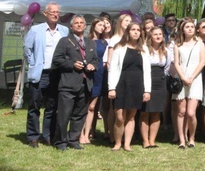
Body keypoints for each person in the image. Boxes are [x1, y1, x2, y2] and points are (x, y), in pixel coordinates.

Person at [24, 2, 69, 147]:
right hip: (40, 73)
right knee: (34, 106)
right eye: (52, 12)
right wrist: (33, 64)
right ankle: (33, 137)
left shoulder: (64, 31)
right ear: (45, 14)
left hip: (56, 74)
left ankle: (48, 135)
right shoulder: (36, 30)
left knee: (52, 107)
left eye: (57, 12)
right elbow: (27, 49)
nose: (55, 14)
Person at [51, 15, 99, 151]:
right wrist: (72, 64)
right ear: (71, 27)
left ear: (85, 26)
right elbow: (57, 59)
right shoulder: (65, 41)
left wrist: (93, 66)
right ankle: (61, 141)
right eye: (76, 23)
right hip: (68, 84)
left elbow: (95, 60)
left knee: (80, 114)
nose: (79, 25)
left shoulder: (90, 43)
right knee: (64, 114)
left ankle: (73, 139)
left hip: (85, 83)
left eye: (81, 23)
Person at [108, 23, 151, 151]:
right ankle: (117, 143)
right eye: (133, 30)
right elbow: (113, 69)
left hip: (137, 84)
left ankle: (127, 144)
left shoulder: (144, 49)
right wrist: (111, 87)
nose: (136, 32)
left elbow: (147, 71)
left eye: (138, 30)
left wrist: (147, 90)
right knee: (120, 116)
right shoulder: (119, 47)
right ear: (128, 32)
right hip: (121, 84)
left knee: (131, 116)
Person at [172, 18, 205, 149]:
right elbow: (176, 63)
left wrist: (191, 77)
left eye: (192, 26)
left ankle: (192, 137)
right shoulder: (177, 45)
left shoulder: (200, 43)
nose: (190, 29)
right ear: (182, 29)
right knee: (181, 111)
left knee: (191, 113)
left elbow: (202, 62)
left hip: (195, 78)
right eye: (187, 27)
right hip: (181, 78)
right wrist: (183, 77)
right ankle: (181, 139)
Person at [139, 25, 168, 148]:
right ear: (150, 36)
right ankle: (145, 141)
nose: (158, 36)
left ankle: (152, 140)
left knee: (157, 111)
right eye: (155, 34)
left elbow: (166, 68)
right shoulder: (144, 49)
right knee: (145, 112)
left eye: (160, 34)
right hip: (147, 80)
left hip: (160, 81)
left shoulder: (165, 50)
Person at [81, 17, 107, 145]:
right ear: (94, 25)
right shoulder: (87, 41)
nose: (102, 27)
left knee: (92, 107)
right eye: (100, 25)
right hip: (89, 74)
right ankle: (80, 134)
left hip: (101, 75)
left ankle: (88, 134)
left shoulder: (104, 43)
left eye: (104, 25)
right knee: (84, 105)